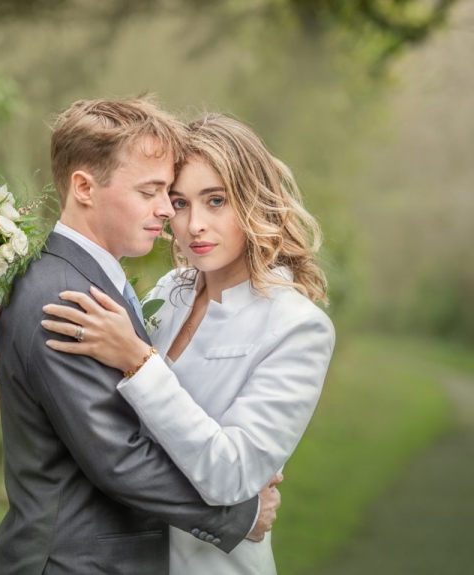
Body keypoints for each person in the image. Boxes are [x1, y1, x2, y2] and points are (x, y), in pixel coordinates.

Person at [0, 98, 281, 575]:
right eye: (150, 191)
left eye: (168, 192)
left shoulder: (85, 278)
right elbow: (117, 459)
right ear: (84, 187)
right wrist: (238, 515)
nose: (167, 209)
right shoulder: (65, 294)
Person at [39, 113, 335, 574]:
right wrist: (1, 339)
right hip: (129, 556)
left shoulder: (297, 327)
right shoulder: (170, 290)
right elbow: (89, 388)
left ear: (254, 201)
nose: (194, 224)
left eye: (215, 201)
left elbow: (231, 475)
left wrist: (139, 361)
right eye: (178, 203)